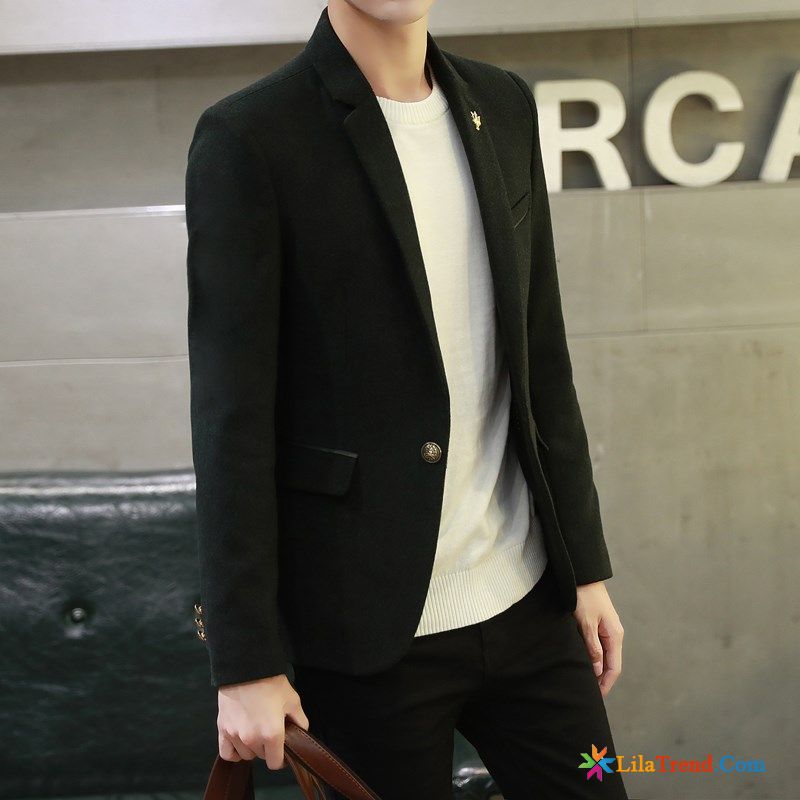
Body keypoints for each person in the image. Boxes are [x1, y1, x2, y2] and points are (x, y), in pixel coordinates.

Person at [184, 1, 628, 798]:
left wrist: (583, 566)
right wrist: (245, 662)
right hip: (364, 631)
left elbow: (540, 354)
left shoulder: (503, 105)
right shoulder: (251, 137)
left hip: (528, 599)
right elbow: (231, 422)